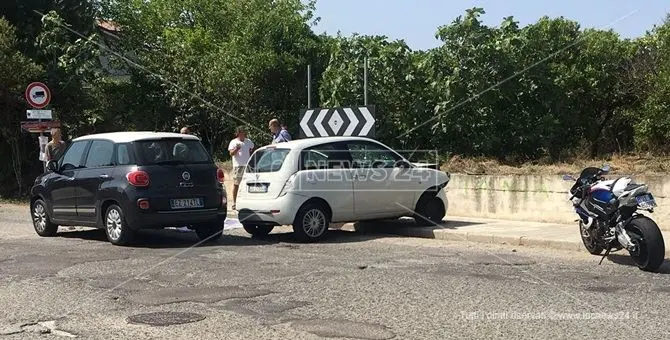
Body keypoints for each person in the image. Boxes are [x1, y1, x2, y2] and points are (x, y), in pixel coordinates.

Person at [228, 126, 254, 210]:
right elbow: (231, 153)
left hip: (247, 166)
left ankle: (247, 202)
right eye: (241, 132)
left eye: (244, 132)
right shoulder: (234, 142)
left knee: (248, 184)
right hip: (238, 166)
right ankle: (234, 203)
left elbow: (253, 149)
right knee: (236, 184)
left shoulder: (248, 141)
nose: (243, 134)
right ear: (238, 133)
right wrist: (237, 148)